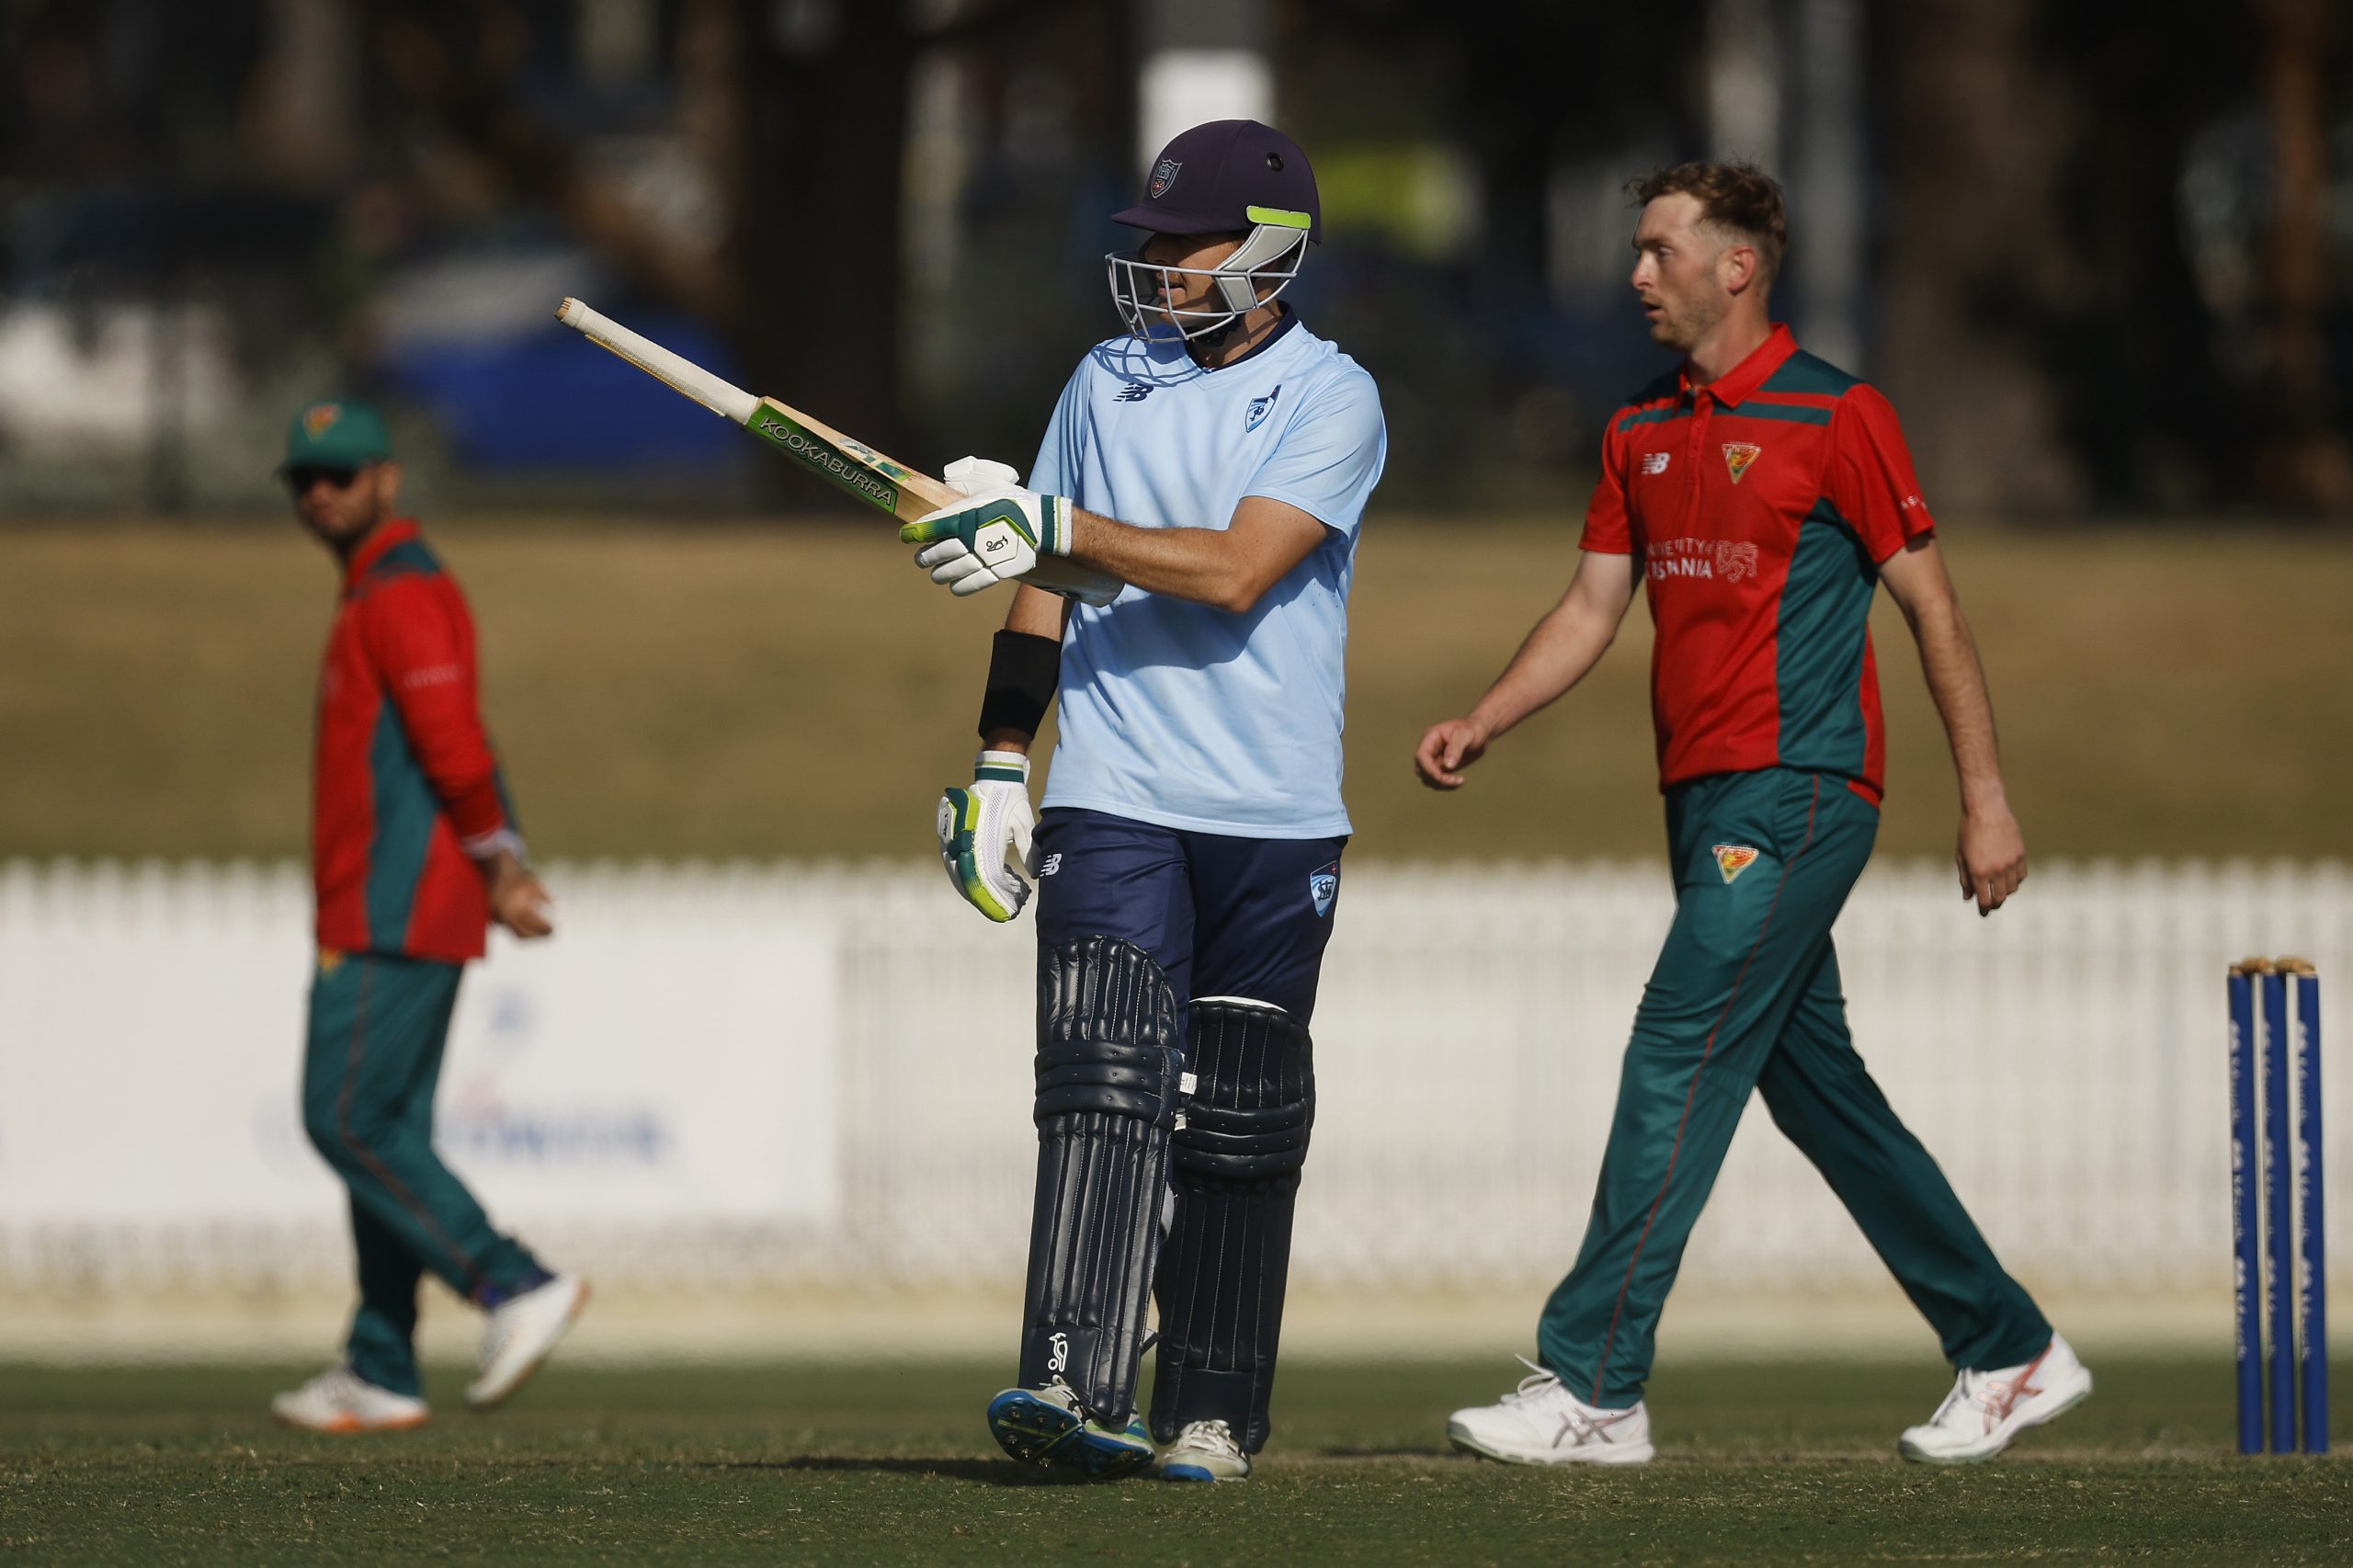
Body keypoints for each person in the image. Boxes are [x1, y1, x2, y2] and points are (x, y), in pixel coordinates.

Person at [1419, 164, 2089, 1467]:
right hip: (1703, 797)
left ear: (1737, 265)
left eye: (1660, 250)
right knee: (1818, 1091)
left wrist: (1988, 800)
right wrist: (1487, 715)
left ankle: (1594, 1384)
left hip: (1800, 791)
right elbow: (1588, 610)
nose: (1636, 275)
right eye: (1637, 250)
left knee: (1676, 1045)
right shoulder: (1637, 430)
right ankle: (2008, 1347)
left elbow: (1933, 608)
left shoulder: (1839, 414)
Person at [898, 120, 1385, 1482]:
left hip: (1276, 809)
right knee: (1100, 1077)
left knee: (1237, 1116)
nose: (1162, 265)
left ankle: (1215, 1406)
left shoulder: (1331, 398)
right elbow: (1038, 575)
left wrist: (1057, 527)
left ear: (1272, 249)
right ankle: (1072, 1373)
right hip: (1113, 787)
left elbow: (1237, 570)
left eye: (1189, 242)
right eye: (1155, 240)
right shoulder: (1103, 378)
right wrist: (1002, 753)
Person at [267, 400, 587, 1433]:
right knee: (387, 1127)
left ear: (386, 480)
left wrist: (498, 859)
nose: (321, 492)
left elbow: (452, 740)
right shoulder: (383, 586)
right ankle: (382, 1360)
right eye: (305, 478)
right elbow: (465, 740)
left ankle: (512, 1281)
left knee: (345, 1117)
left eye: (341, 474)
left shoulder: (400, 590)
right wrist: (505, 865)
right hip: (404, 898)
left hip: (393, 906)